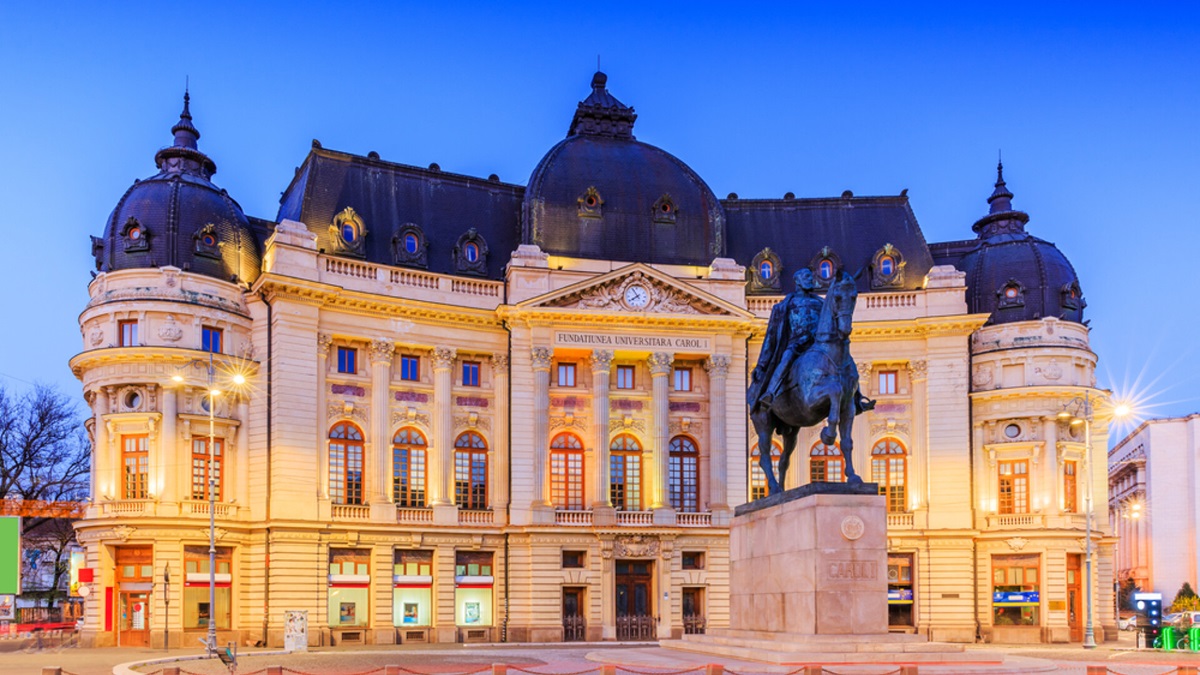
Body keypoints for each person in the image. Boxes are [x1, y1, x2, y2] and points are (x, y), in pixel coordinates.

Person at [749, 268, 823, 413]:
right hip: (796, 344)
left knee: (842, 359)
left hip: (817, 345)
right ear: (797, 281)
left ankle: (856, 398)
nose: (810, 279)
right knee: (785, 361)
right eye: (807, 277)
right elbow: (771, 337)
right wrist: (761, 365)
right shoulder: (786, 305)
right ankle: (770, 393)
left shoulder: (821, 303)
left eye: (811, 277)